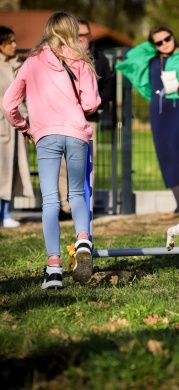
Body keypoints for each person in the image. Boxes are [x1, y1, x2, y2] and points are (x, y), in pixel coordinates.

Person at [2, 12, 101, 289]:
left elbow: (9, 104)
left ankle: (54, 268)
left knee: (50, 201)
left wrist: (25, 127)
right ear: (71, 31)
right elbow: (92, 103)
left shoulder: (31, 62)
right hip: (76, 132)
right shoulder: (80, 59)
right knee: (77, 193)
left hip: (45, 135)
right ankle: (83, 239)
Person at [116, 25, 179, 218]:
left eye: (167, 39)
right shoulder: (152, 57)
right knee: (166, 155)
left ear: (173, 36)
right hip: (160, 110)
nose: (164, 44)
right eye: (158, 42)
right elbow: (134, 55)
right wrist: (152, 46)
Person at [58, 19, 114, 220]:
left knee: (88, 162)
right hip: (65, 119)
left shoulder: (100, 59)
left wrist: (97, 103)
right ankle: (66, 207)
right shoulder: (62, 58)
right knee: (64, 163)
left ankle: (85, 205)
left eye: (86, 35)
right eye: (79, 35)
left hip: (90, 120)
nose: (83, 39)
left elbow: (108, 85)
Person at [0, 26, 34, 228]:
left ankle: (5, 213)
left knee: (10, 170)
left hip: (15, 127)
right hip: (2, 127)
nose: (15, 45)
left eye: (15, 41)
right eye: (10, 41)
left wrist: (27, 121)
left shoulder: (18, 65)